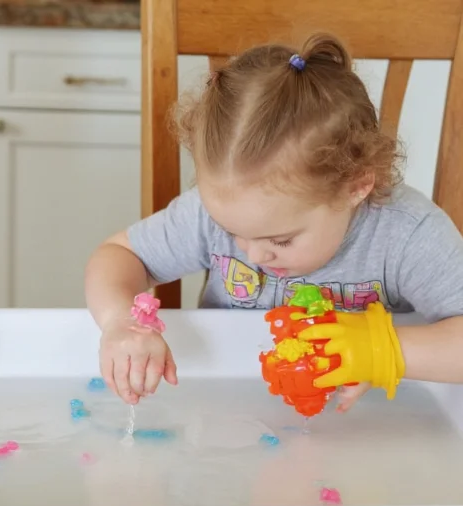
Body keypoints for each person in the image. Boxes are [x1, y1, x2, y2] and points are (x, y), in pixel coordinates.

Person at [85, 33, 463, 411]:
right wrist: (120, 321)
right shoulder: (211, 213)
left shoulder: (405, 233)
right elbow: (120, 254)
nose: (253, 255)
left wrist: (381, 351)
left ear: (356, 187)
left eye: (281, 240)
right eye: (231, 232)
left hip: (374, 416)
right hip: (233, 405)